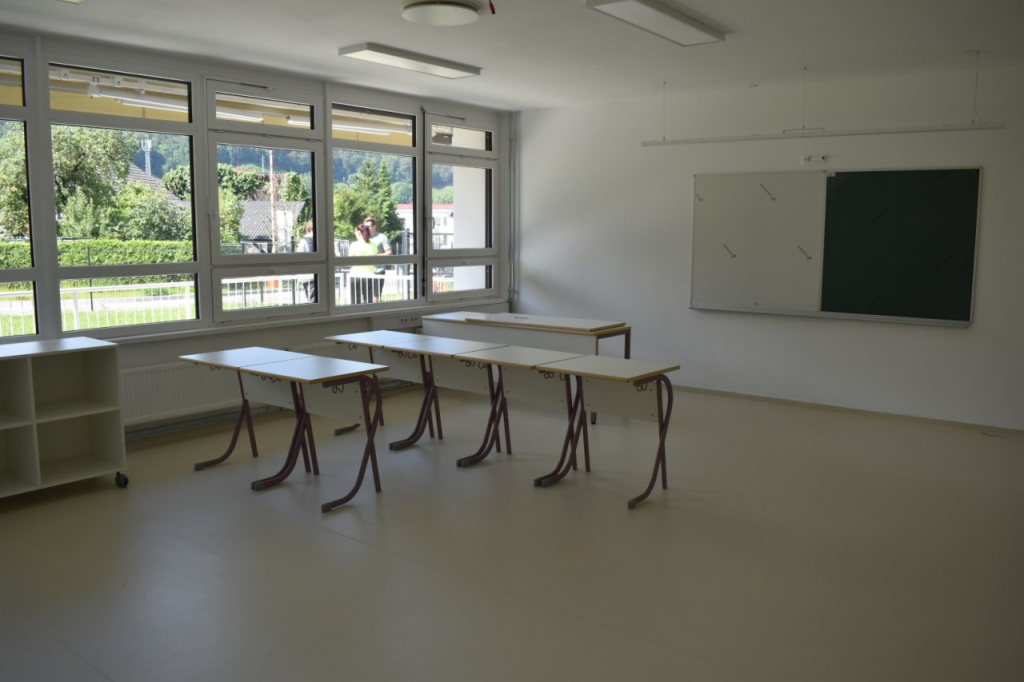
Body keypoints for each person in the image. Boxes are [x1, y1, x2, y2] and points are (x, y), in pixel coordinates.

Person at [363, 216, 391, 302]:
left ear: (374, 226)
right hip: (365, 271)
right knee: (366, 296)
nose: (367, 228)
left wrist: (376, 256)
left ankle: (377, 308)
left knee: (376, 296)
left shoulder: (382, 237)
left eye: (369, 226)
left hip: (378, 271)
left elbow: (389, 252)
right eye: (365, 226)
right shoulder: (363, 237)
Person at [347, 223, 376, 304]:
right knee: (369, 300)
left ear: (359, 232)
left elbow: (350, 262)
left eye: (355, 231)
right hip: (369, 275)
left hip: (355, 275)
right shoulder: (373, 245)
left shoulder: (354, 245)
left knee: (355, 301)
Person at [296, 221, 316, 302]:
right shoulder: (320, 240)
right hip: (316, 275)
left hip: (306, 276)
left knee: (311, 300)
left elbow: (298, 257)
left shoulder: (304, 241)